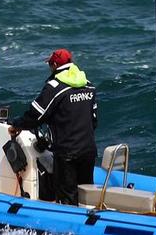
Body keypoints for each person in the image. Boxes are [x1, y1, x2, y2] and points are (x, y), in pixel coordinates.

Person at [9, 48, 97, 205]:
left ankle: (69, 227)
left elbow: (36, 115)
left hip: (67, 153)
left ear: (55, 65)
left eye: (50, 64)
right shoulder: (89, 85)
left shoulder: (55, 87)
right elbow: (94, 120)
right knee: (85, 196)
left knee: (67, 198)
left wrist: (17, 125)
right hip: (88, 150)